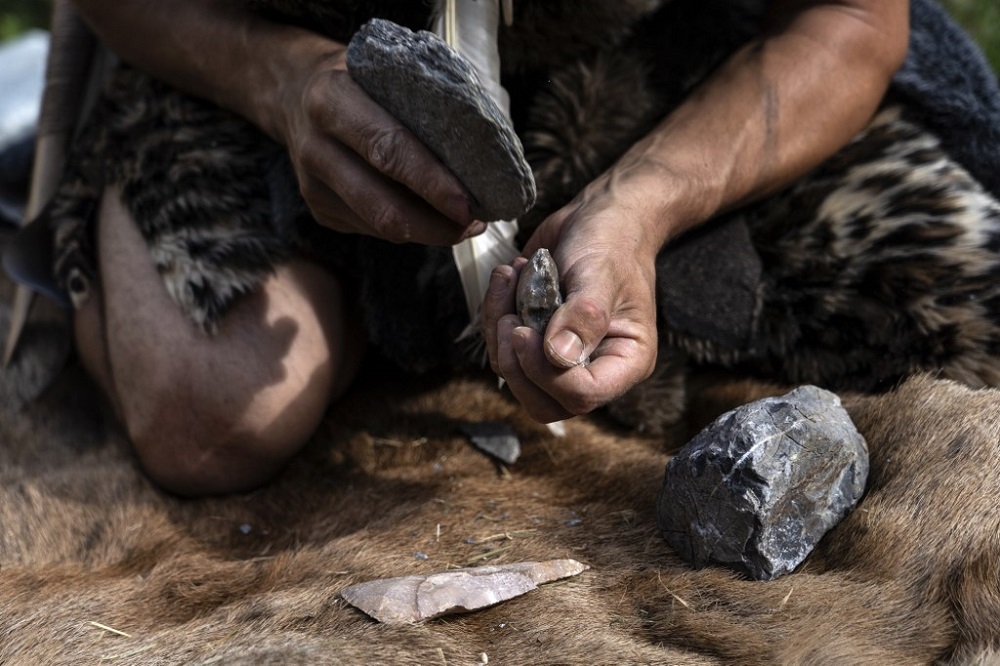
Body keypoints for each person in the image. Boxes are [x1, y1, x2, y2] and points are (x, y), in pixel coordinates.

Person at [66, 0, 910, 496]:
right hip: (261, 39)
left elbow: (856, 18)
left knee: (929, 324)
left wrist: (642, 204)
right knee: (211, 410)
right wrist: (284, 86)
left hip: (652, 63)